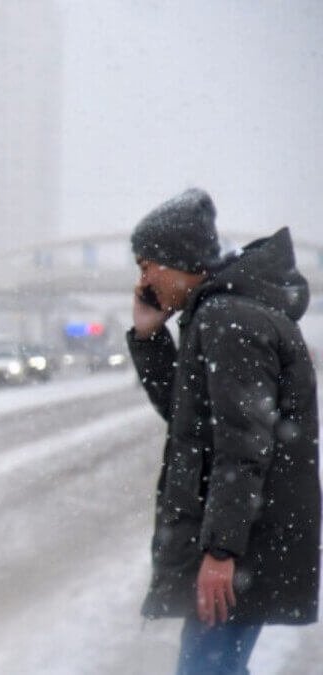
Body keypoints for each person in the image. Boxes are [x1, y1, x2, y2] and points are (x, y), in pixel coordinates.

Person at [127, 188, 321, 675]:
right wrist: (150, 338)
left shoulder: (228, 317)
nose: (143, 280)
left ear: (179, 260)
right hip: (248, 541)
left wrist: (221, 552)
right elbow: (192, 419)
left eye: (148, 265)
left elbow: (242, 448)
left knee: (207, 669)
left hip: (245, 546)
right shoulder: (223, 312)